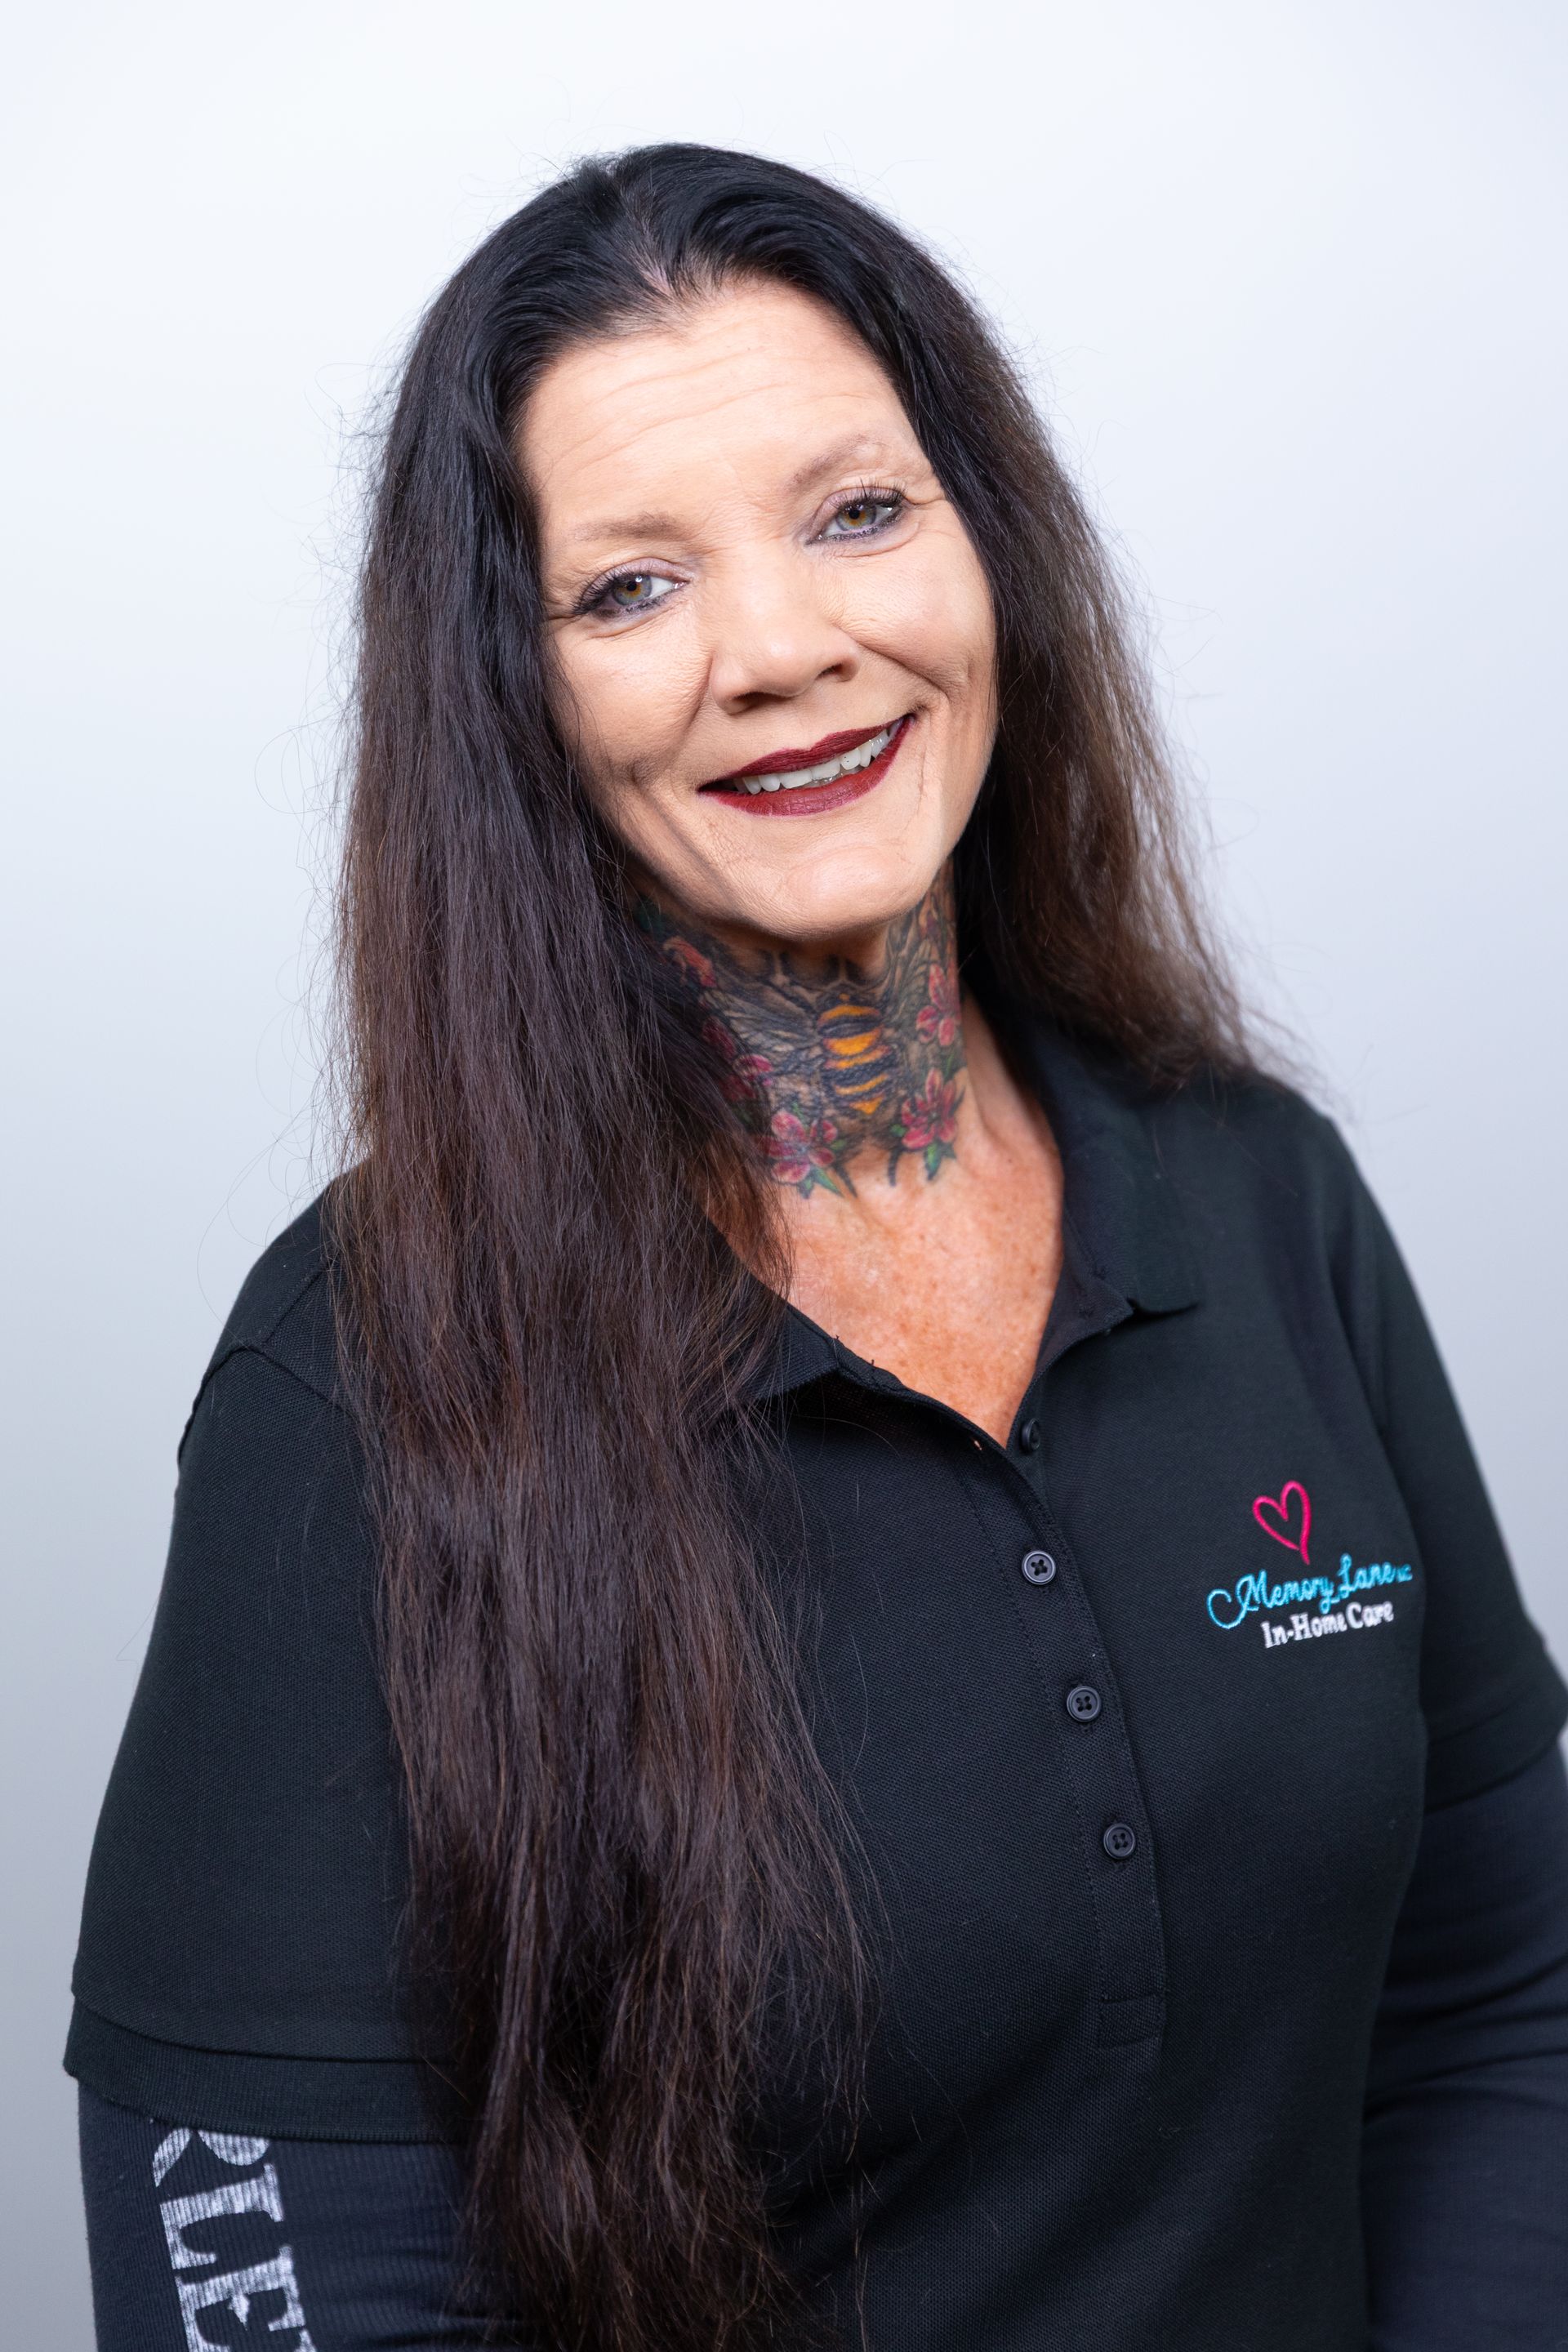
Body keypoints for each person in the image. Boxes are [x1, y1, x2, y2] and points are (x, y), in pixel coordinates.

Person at [68, 145, 1568, 2352]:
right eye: (628, 590)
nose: (783, 648)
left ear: (992, 552)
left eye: (858, 512)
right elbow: (278, 2273)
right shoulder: (361, 1376)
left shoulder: (1263, 1201)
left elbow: (1493, 1998)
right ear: (516, 707)